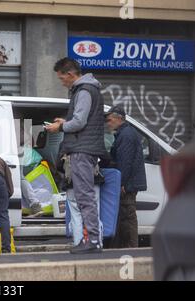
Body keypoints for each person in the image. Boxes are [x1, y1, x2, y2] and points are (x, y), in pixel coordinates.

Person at [45, 57, 107, 254]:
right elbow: (83, 120)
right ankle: (92, 240)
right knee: (85, 196)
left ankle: (93, 241)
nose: (62, 82)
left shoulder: (84, 91)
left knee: (84, 197)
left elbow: (79, 122)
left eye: (62, 78)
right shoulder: (89, 89)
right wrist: (66, 120)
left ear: (70, 74)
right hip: (85, 147)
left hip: (82, 150)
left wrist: (60, 126)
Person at [106, 105, 147, 248]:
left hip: (127, 185)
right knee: (124, 217)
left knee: (128, 217)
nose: (108, 123)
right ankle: (125, 247)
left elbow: (125, 162)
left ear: (119, 119)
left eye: (110, 120)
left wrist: (121, 183)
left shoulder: (126, 135)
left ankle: (131, 249)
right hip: (127, 183)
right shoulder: (124, 133)